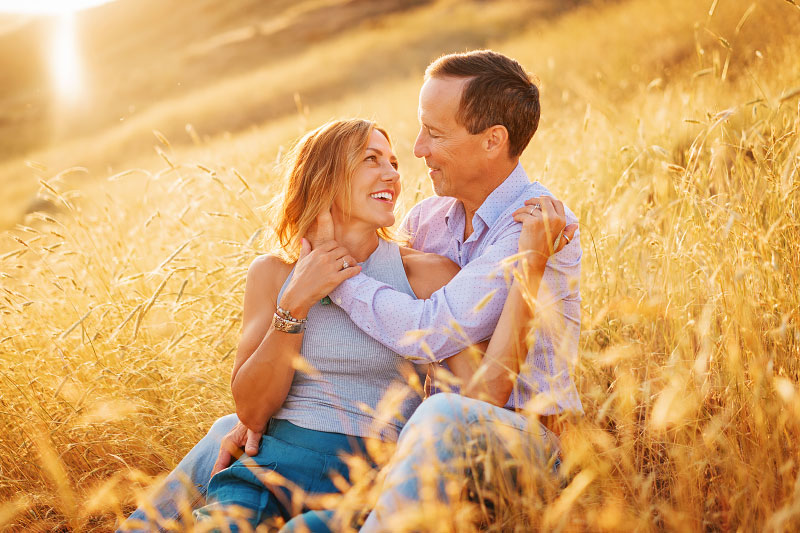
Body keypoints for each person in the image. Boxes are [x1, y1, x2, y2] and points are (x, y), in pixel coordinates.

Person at [118, 49, 582, 531]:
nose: (416, 153)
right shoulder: (429, 221)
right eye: (376, 159)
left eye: (434, 134)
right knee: (228, 433)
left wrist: (337, 278)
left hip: (518, 440)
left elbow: (443, 345)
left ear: (493, 141)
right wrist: (263, 412)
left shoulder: (538, 224)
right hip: (421, 440)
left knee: (440, 414)